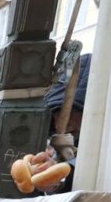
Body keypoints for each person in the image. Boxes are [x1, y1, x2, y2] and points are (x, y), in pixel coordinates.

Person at [29, 53, 90, 194]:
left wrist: (61, 175)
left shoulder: (100, 144)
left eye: (70, 114)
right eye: (56, 114)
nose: (60, 124)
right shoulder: (61, 143)